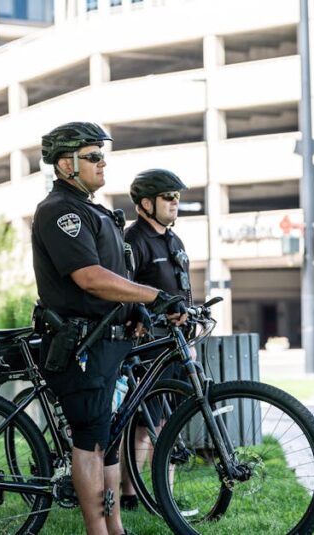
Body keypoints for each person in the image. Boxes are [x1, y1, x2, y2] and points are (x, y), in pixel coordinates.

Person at [32, 122, 187, 535]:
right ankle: (96, 530)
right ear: (67, 164)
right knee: (90, 439)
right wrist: (153, 295)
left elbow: (115, 277)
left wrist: (137, 311)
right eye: (93, 156)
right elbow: (89, 277)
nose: (103, 163)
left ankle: (115, 526)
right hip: (81, 342)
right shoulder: (61, 211)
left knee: (110, 438)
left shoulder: (94, 211)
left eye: (103, 155)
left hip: (107, 341)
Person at [118, 168, 192, 510]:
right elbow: (124, 290)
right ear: (146, 203)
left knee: (174, 420)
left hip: (176, 344)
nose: (175, 203)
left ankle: (167, 494)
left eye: (177, 197)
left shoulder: (173, 240)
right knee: (145, 423)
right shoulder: (134, 241)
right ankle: (129, 494)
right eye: (168, 197)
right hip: (147, 345)